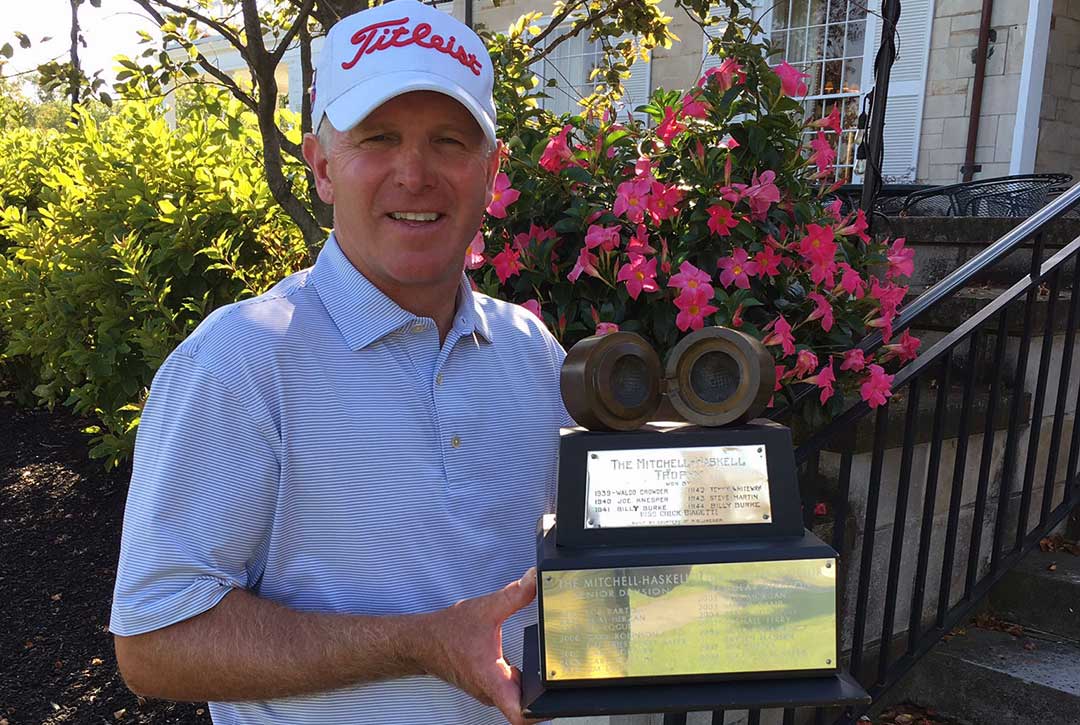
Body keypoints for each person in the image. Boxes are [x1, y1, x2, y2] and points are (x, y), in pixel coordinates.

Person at [110, 2, 571, 723]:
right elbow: (154, 639)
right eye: (378, 139)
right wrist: (420, 643)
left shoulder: (535, 354)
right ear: (321, 166)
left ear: (491, 171)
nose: (413, 174)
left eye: (450, 141)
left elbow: (597, 568)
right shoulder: (240, 362)